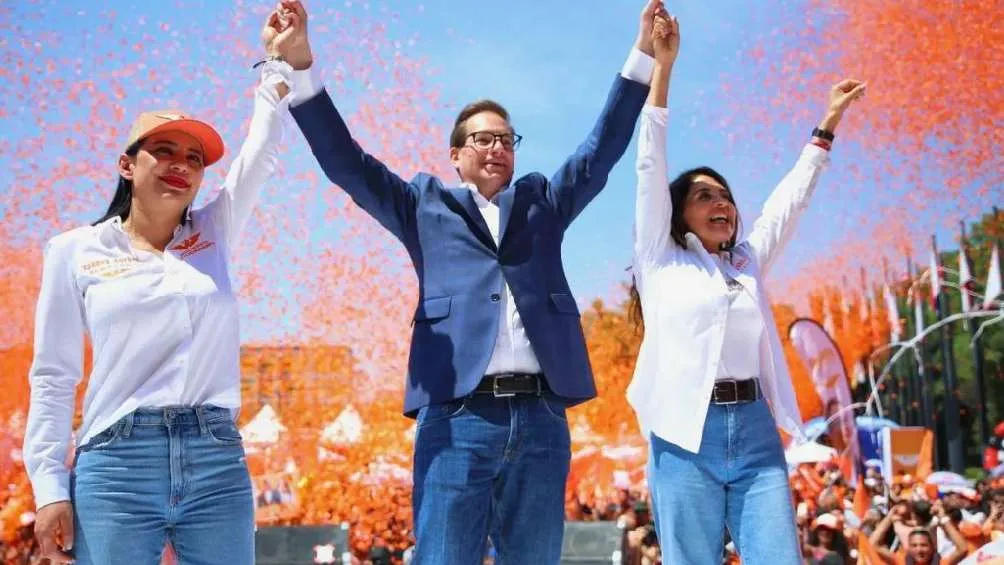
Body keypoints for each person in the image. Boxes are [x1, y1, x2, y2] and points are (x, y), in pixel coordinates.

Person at [268, 1, 659, 562]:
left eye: (506, 138)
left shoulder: (543, 201)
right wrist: (303, 67)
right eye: (482, 139)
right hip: (457, 416)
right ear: (455, 155)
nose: (497, 147)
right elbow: (346, 164)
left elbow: (602, 150)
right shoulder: (421, 206)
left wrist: (642, 53)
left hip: (542, 416)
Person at [22, 8, 303, 565]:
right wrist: (50, 487)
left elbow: (262, 152)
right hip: (116, 465)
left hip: (217, 459)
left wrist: (275, 63)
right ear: (128, 166)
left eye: (194, 158)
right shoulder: (75, 251)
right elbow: (54, 375)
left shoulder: (215, 231)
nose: (181, 166)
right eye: (165, 151)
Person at [626, 10, 866, 565]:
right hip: (685, 435)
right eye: (704, 196)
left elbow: (789, 203)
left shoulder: (748, 263)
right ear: (678, 214)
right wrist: (663, 68)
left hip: (756, 433)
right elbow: (648, 162)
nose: (721, 204)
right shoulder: (659, 260)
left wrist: (826, 125)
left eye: (726, 196)